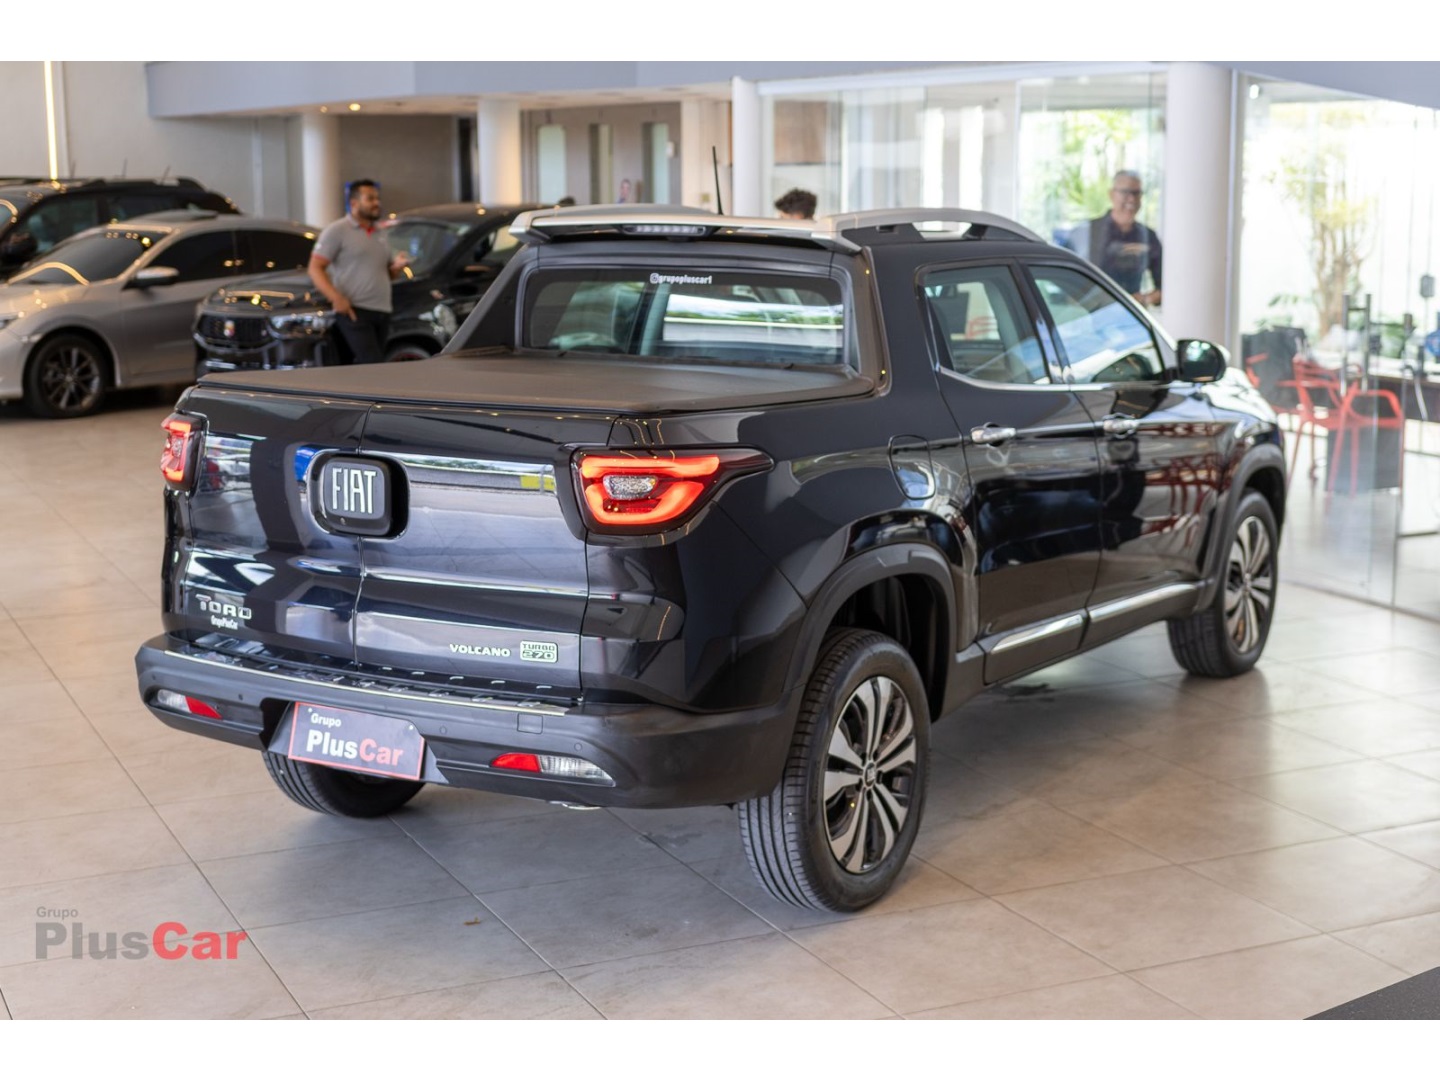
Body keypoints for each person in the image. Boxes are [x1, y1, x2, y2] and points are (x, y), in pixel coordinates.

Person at [308, 178, 410, 365]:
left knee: (363, 367)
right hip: (355, 310)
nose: (377, 203)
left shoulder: (380, 232)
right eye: (370, 199)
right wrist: (336, 298)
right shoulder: (337, 230)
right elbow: (315, 268)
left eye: (377, 198)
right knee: (373, 364)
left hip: (382, 311)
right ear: (354, 203)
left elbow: (387, 274)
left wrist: (396, 268)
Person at [1063, 170, 1162, 307]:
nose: (1131, 199)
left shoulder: (1148, 236)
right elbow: (1064, 281)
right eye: (1125, 192)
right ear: (1111, 194)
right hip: (1091, 313)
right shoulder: (1089, 232)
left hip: (1129, 314)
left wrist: (1144, 299)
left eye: (1136, 193)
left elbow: (1165, 286)